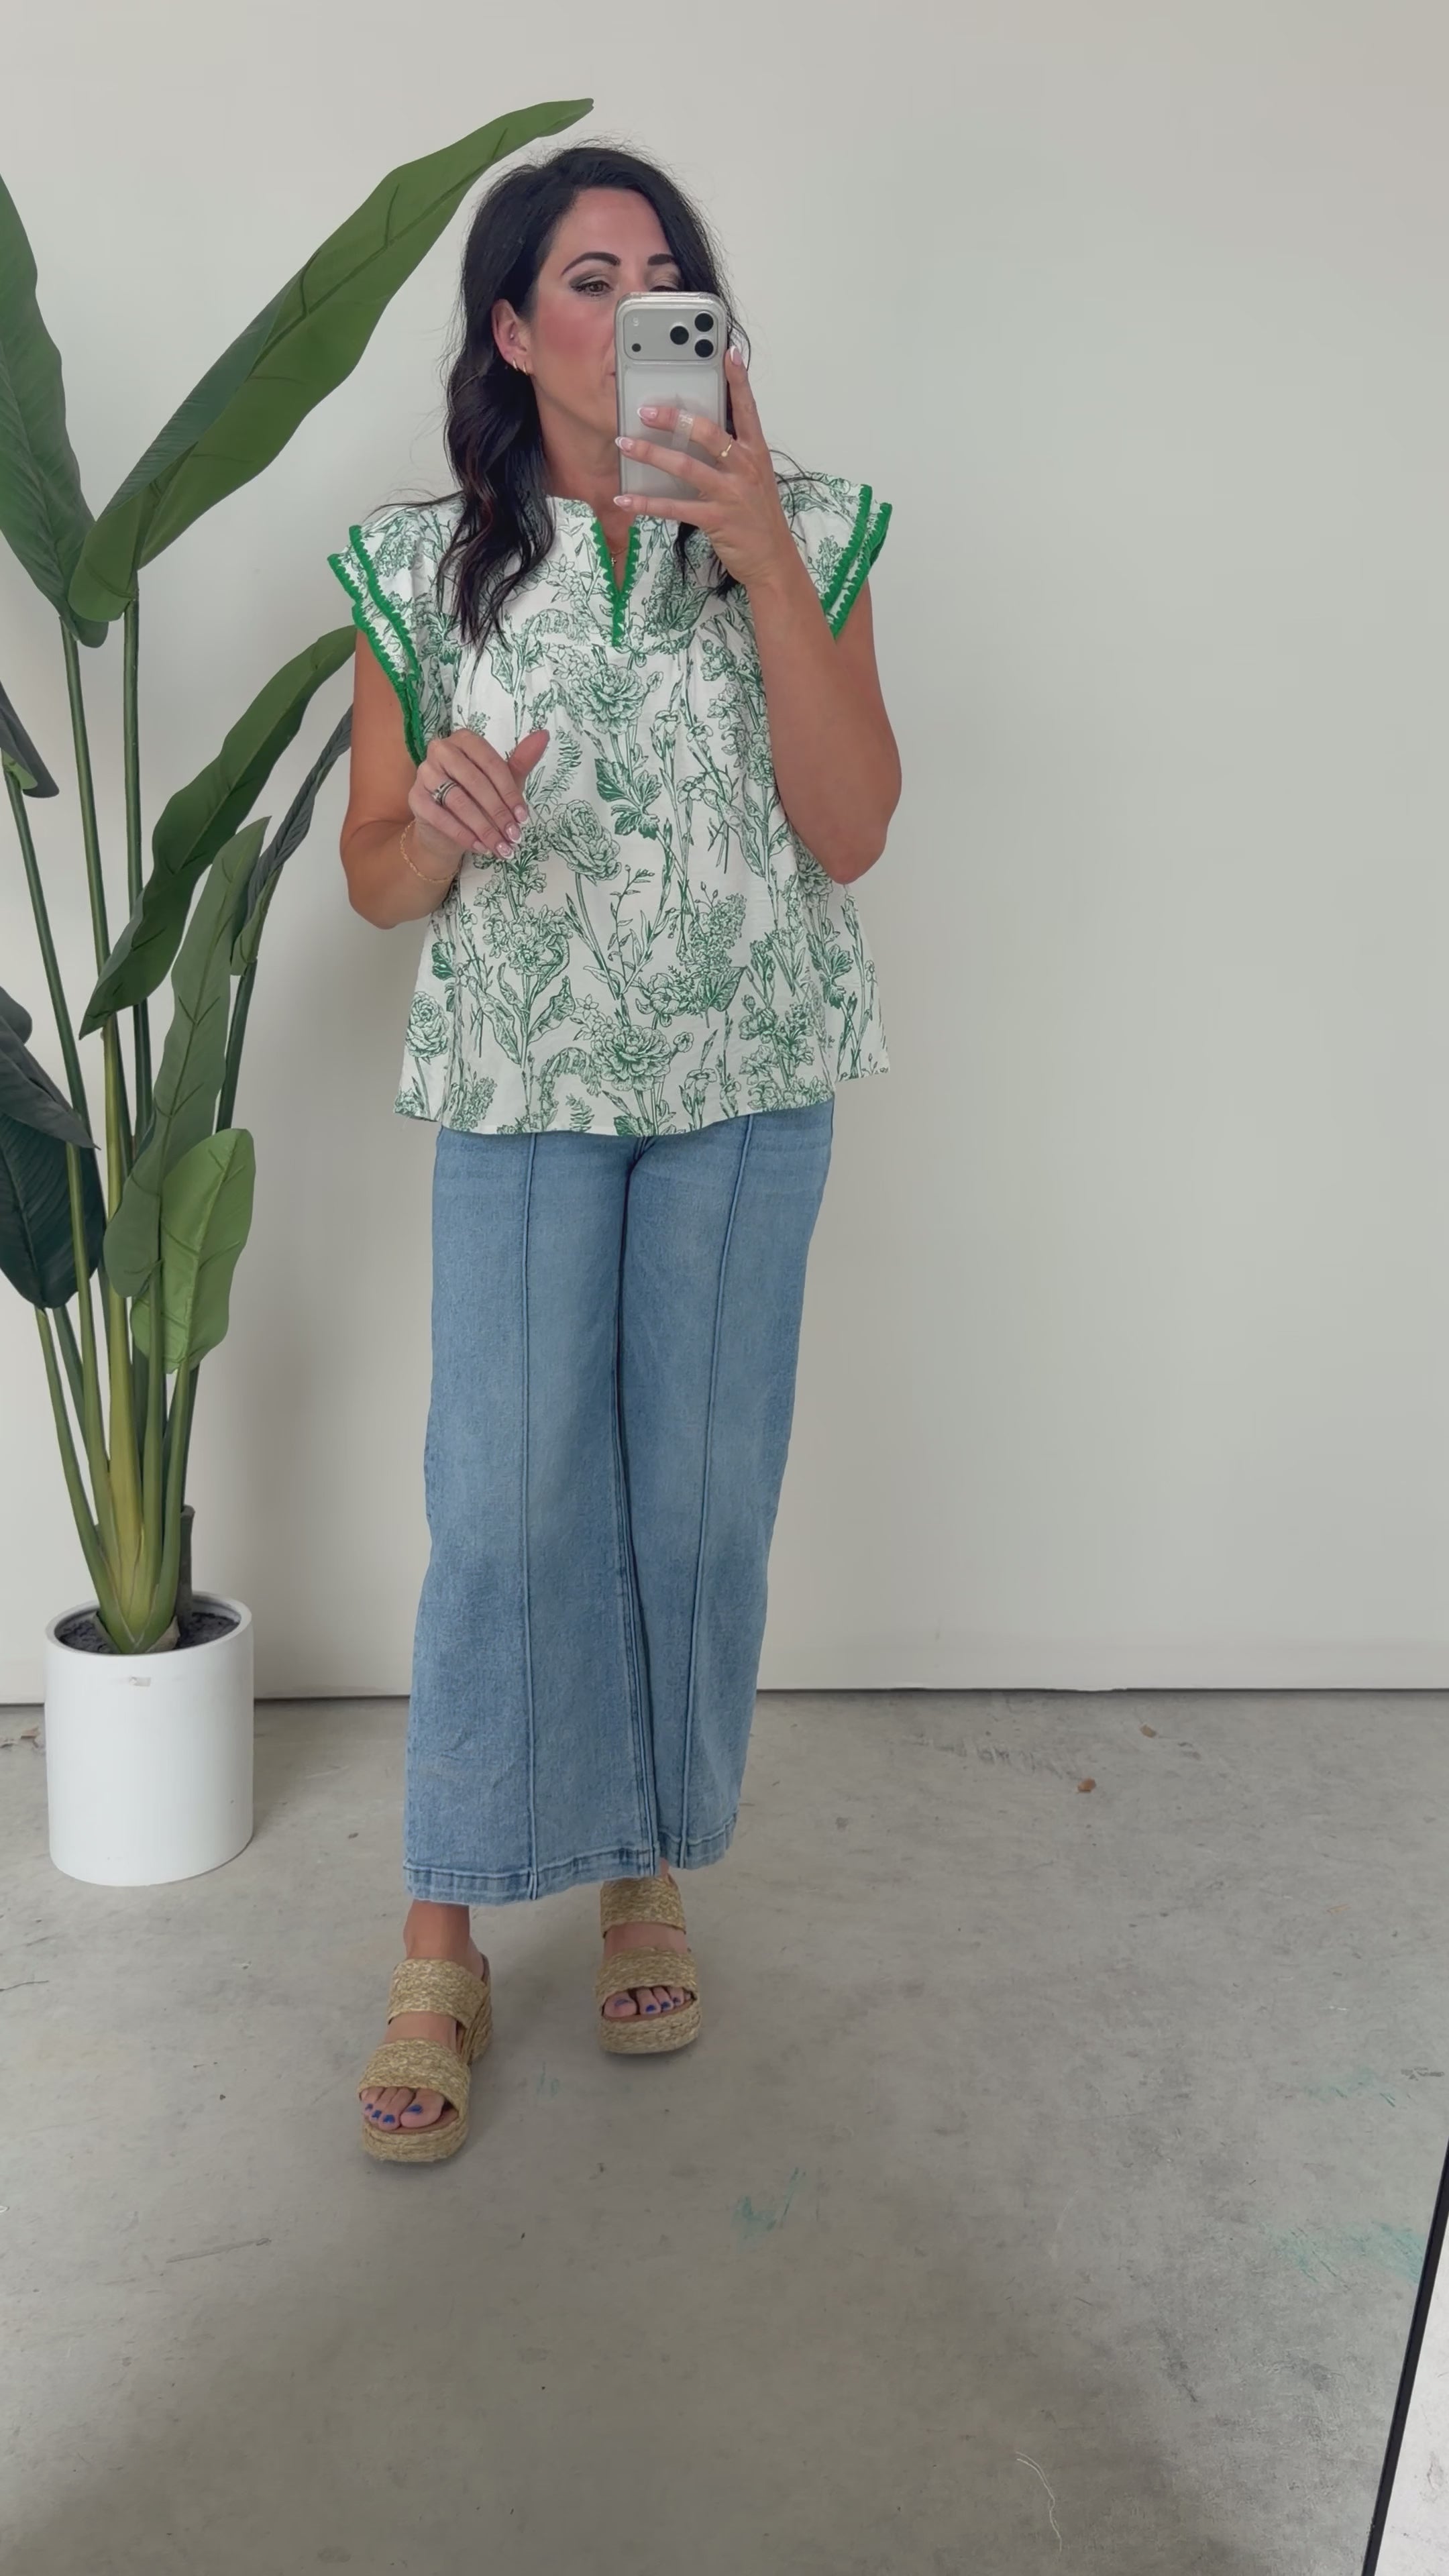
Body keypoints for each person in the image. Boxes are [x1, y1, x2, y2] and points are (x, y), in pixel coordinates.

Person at [326, 142, 900, 2163]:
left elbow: (852, 832)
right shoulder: (424, 569)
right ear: (511, 331)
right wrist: (434, 825)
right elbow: (375, 878)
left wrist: (759, 553)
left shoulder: (806, 532)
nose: (639, 309)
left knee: (697, 1513)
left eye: (669, 279)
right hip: (525, 1089)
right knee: (503, 1515)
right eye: (590, 279)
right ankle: (447, 1930)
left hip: (747, 1081)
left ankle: (643, 1860)